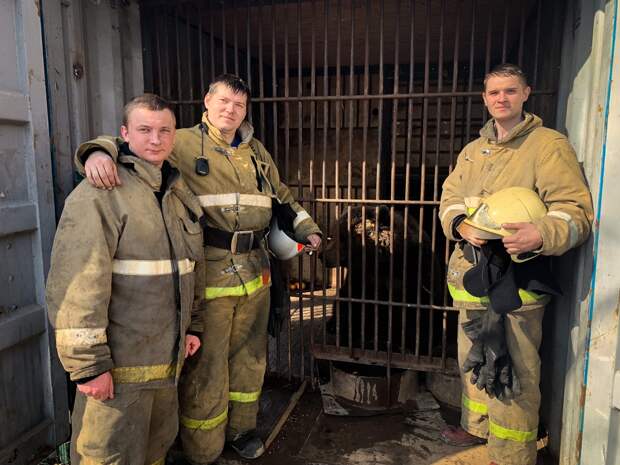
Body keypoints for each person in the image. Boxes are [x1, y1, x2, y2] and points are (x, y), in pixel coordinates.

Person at [74, 74, 322, 464]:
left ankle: (242, 431)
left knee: (251, 361)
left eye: (239, 105)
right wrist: (95, 152)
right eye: (223, 101)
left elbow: (283, 197)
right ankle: (203, 450)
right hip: (209, 276)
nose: (231, 110)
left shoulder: (256, 151)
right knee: (206, 369)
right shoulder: (180, 142)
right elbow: (135, 149)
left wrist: (308, 230)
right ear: (207, 101)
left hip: (256, 273)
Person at [438, 63, 593, 465]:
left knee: (516, 373)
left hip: (517, 284)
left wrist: (540, 234)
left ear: (527, 93)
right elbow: (450, 196)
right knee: (473, 361)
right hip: (471, 278)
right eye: (493, 93)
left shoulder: (547, 145)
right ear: (485, 98)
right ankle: (479, 431)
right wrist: (458, 224)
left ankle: (511, 455)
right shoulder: (473, 151)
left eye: (509, 91)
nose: (501, 99)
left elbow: (575, 213)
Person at [46, 94, 206, 465]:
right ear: (124, 134)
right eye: (144, 129)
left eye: (164, 130)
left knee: (155, 451)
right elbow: (76, 288)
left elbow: (190, 268)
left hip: (167, 364)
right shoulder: (100, 193)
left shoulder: (175, 193)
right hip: (117, 374)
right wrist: (89, 367)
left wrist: (193, 327)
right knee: (107, 457)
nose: (156, 139)